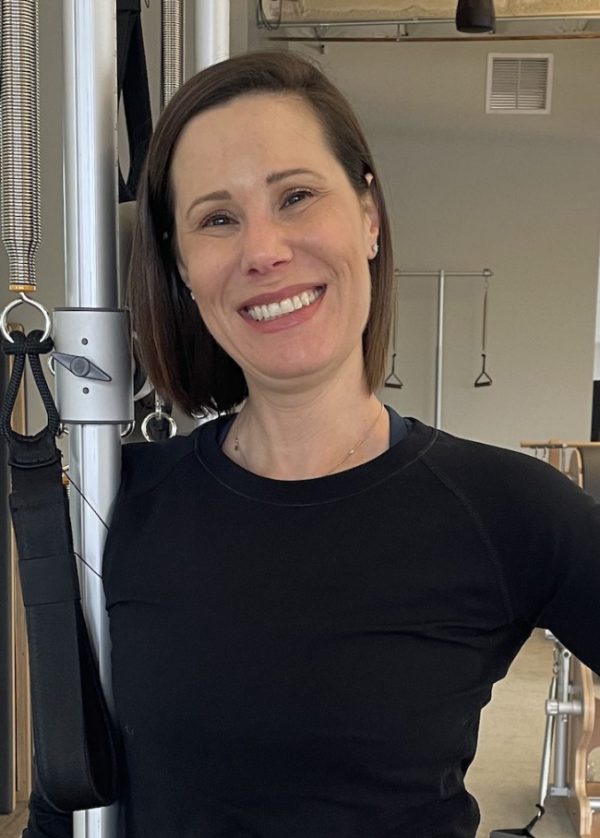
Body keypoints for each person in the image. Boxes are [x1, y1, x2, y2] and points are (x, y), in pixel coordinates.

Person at [25, 50, 600, 838]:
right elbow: (66, 792)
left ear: (369, 215)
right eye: (217, 218)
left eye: (295, 196)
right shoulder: (118, 496)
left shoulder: (508, 510)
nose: (263, 249)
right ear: (184, 267)